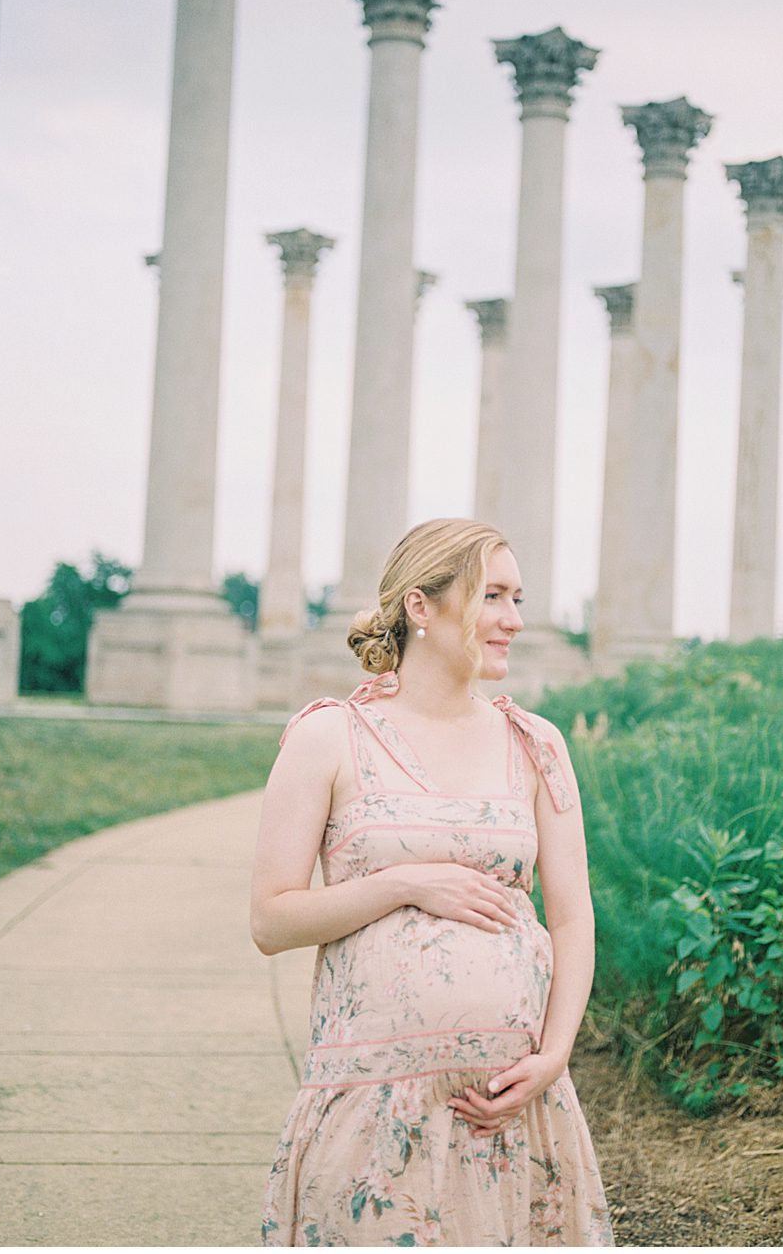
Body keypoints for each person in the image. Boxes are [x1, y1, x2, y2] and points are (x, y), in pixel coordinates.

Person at [251, 518, 614, 1246]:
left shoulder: (536, 743)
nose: (513, 620)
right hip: (376, 1114)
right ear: (421, 606)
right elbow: (271, 920)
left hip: (513, 1113)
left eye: (518, 599)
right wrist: (405, 883)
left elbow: (572, 916)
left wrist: (554, 1055)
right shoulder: (330, 736)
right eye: (493, 597)